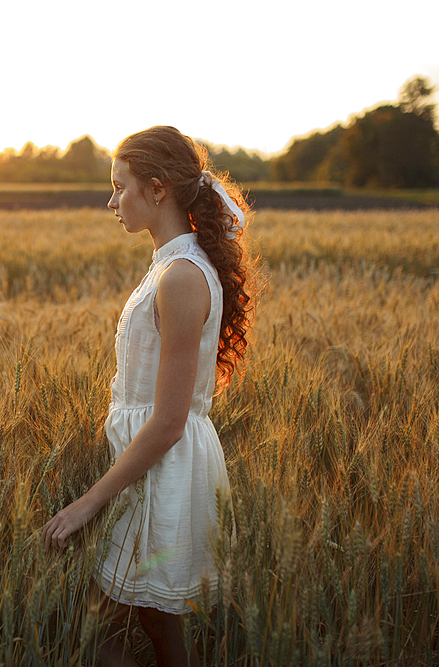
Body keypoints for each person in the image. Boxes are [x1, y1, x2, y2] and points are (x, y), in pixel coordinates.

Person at [42, 126, 256, 666]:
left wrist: (88, 502)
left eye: (120, 187)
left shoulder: (181, 277)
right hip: (147, 465)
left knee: (100, 628)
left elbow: (168, 421)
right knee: (158, 631)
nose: (111, 201)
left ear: (157, 189)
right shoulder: (170, 265)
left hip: (160, 470)